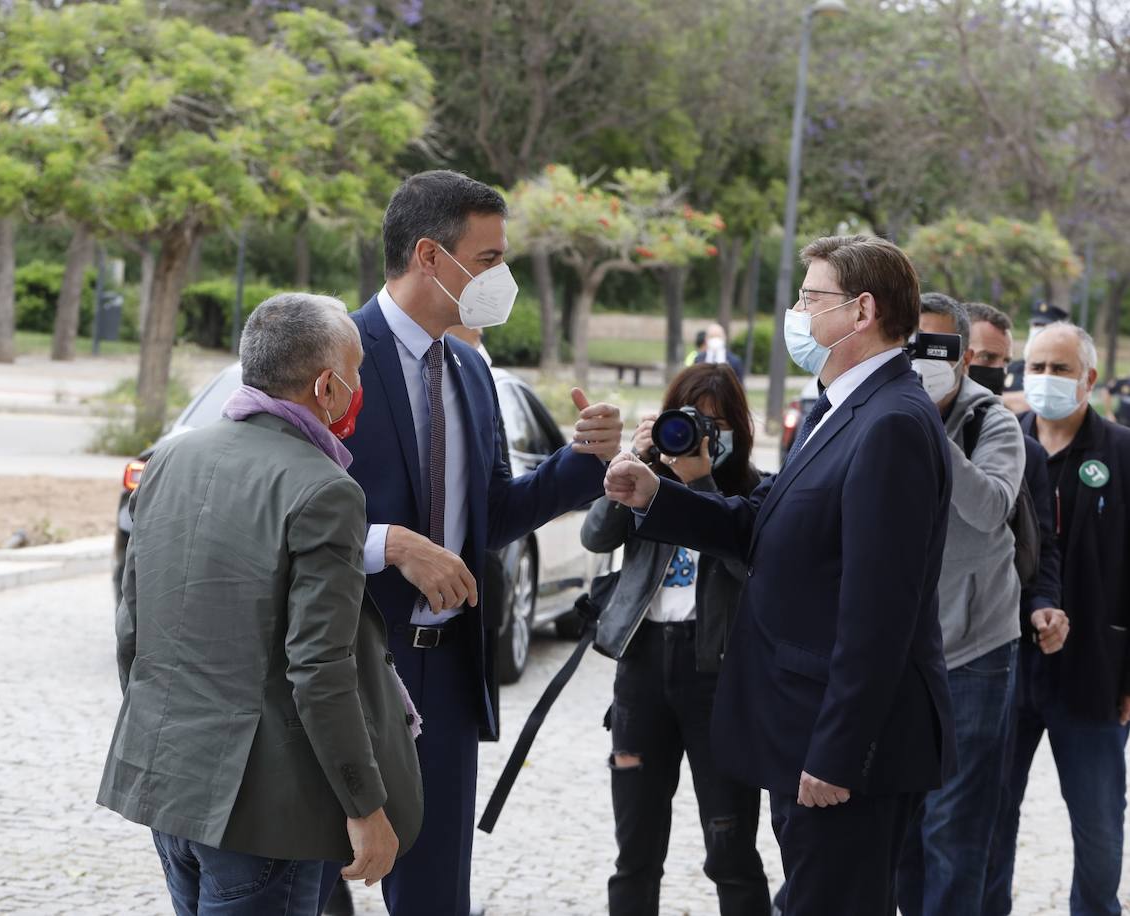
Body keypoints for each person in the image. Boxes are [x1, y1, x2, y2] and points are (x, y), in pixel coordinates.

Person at [604, 234, 956, 916]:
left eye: (809, 298)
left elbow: (878, 614)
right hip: (801, 729)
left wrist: (837, 753)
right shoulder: (837, 408)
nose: (797, 312)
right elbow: (758, 525)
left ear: (860, 312)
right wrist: (655, 494)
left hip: (843, 751)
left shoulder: (891, 423)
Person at [329, 169, 624, 916]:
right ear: (430, 256)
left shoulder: (469, 368)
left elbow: (489, 517)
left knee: (435, 900)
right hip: (349, 672)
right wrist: (390, 545)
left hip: (451, 677)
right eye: (489, 259)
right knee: (314, 889)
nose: (503, 278)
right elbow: (283, 518)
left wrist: (580, 462)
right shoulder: (331, 357)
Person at [97, 294, 423, 916]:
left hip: (172, 788)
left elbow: (134, 629)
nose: (361, 390)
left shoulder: (169, 457)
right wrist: (365, 806)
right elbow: (320, 671)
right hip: (269, 812)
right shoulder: (325, 489)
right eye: (356, 374)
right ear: (327, 387)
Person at [583, 363, 770, 916]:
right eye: (687, 420)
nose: (699, 435)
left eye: (713, 424)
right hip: (642, 669)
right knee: (635, 854)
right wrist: (635, 465)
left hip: (719, 677)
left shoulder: (755, 494)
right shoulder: (648, 484)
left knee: (730, 852)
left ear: (736, 428)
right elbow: (596, 536)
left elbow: (749, 565)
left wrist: (701, 485)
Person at [986, 322, 1130, 916]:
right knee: (987, 828)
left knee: (1099, 832)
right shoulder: (1003, 446)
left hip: (1097, 675)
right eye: (1036, 367)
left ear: (1089, 379)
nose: (1044, 379)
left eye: (1060, 369)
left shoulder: (1122, 453)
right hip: (1003, 672)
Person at [894, 293, 1026, 915]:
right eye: (911, 346)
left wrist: (929, 429)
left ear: (966, 357)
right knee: (902, 826)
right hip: (898, 645)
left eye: (938, 349)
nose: (924, 359)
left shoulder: (989, 421)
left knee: (956, 828)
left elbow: (988, 508)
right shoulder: (879, 412)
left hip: (976, 648)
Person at [962, 301, 1069, 916]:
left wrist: (1043, 604)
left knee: (986, 817)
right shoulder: (901, 426)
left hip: (987, 658)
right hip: (913, 652)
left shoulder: (1017, 444)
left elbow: (1039, 549)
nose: (992, 371)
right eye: (981, 358)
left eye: (1003, 362)